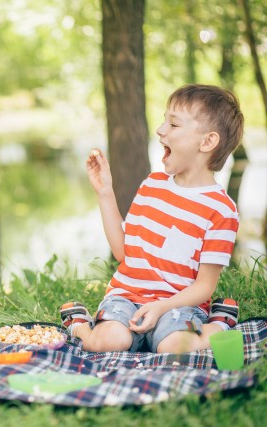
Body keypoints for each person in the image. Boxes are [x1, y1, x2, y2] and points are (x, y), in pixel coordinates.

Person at [60, 84, 243, 354]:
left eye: (174, 124)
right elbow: (124, 253)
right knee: (110, 341)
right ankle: (78, 324)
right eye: (164, 121)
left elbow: (205, 285)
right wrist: (105, 193)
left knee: (174, 347)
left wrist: (161, 307)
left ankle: (218, 324)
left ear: (207, 142)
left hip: (179, 306)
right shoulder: (152, 186)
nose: (160, 130)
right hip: (126, 297)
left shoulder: (222, 210)